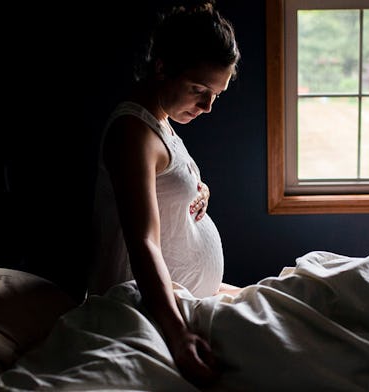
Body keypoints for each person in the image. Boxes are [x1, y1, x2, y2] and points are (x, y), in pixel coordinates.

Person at [88, 1, 241, 386]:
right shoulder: (132, 132)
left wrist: (197, 188)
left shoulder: (161, 121)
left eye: (217, 95)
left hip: (188, 295)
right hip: (149, 307)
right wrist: (177, 336)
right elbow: (143, 242)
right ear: (162, 66)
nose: (207, 106)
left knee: (296, 299)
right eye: (199, 90)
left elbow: (164, 185)